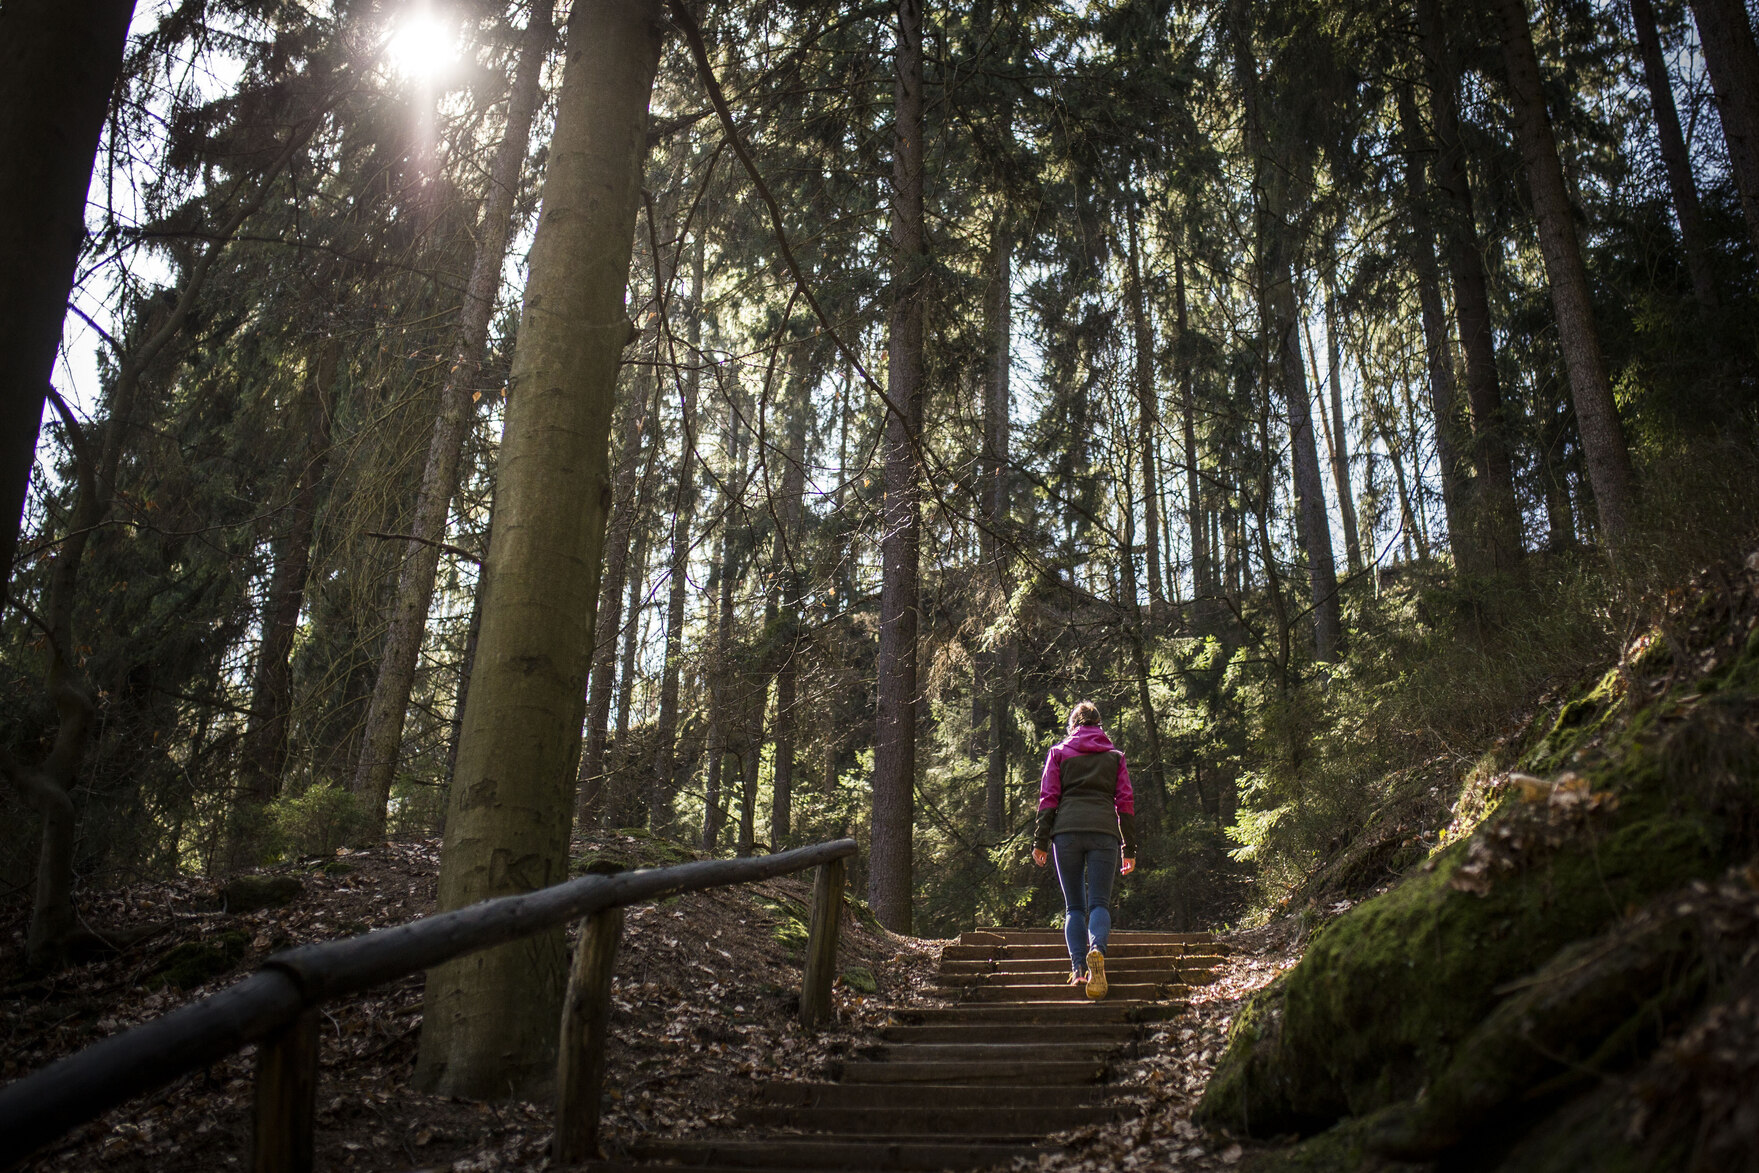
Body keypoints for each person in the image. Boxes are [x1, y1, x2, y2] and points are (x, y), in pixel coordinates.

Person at [1031, 701, 1137, 999]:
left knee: (1075, 907)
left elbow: (1048, 798)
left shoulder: (1059, 753)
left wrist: (1040, 840)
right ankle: (1097, 953)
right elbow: (1125, 803)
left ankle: (1079, 970)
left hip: (1066, 833)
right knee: (1099, 903)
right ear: (1099, 725)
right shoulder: (1115, 757)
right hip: (1104, 832)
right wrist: (1130, 847)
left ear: (1073, 725)